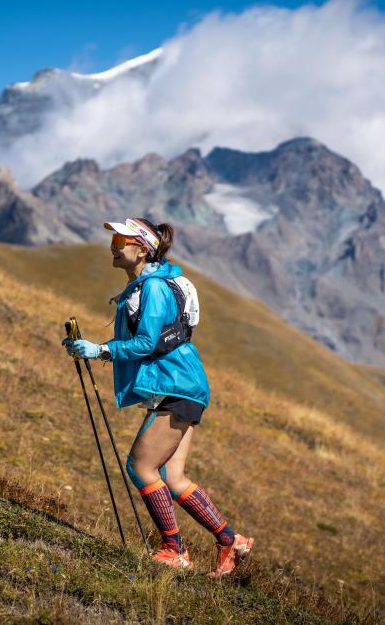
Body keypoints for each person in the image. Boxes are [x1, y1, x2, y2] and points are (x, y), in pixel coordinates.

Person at [63, 217, 254, 577]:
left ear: (141, 248)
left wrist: (100, 350)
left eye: (121, 239)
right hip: (185, 386)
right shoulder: (147, 284)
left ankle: (175, 550)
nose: (114, 245)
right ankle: (230, 539)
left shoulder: (153, 289)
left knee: (141, 466)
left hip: (175, 386)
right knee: (174, 476)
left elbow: (146, 343)